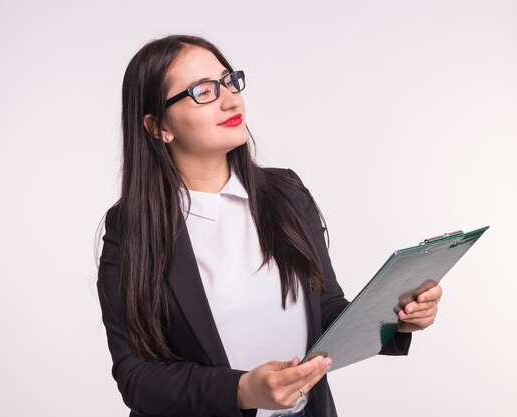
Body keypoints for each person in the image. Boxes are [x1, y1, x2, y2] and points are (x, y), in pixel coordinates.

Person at [97, 34, 442, 417]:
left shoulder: (285, 193)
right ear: (159, 126)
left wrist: (395, 319)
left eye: (229, 81)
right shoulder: (131, 228)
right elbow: (137, 375)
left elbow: (326, 311)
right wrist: (241, 391)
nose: (231, 99)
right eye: (203, 91)